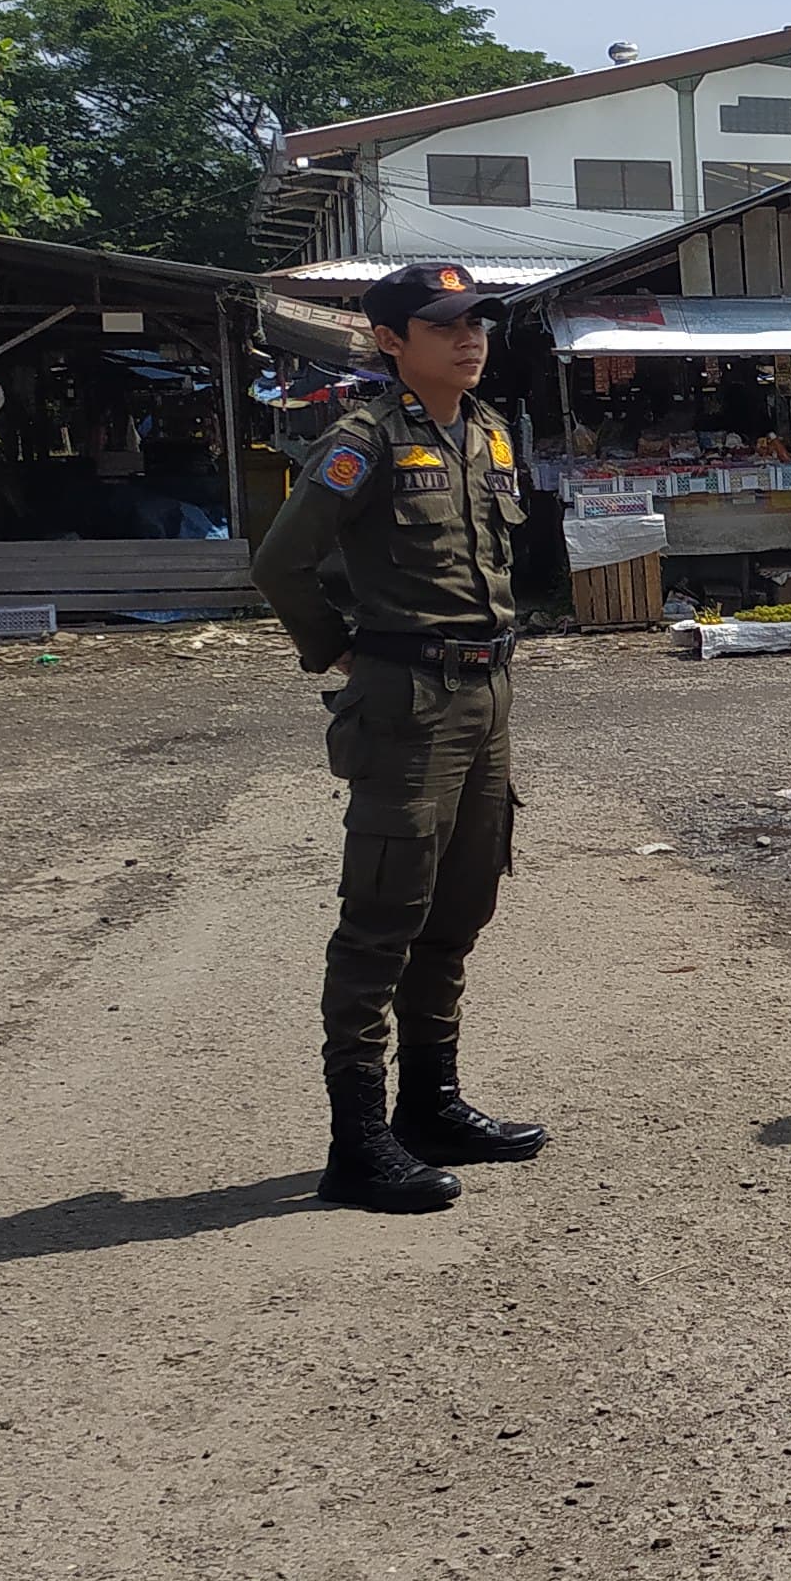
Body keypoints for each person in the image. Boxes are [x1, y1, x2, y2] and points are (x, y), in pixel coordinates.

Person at [250, 260, 547, 1214]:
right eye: (444, 325)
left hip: (487, 694)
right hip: (406, 704)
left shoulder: (491, 434)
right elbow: (283, 561)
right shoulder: (362, 439)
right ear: (390, 340)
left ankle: (432, 1103)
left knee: (459, 909)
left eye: (477, 324)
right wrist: (340, 655)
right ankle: (358, 1142)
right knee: (382, 920)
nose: (471, 339)